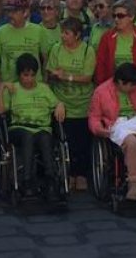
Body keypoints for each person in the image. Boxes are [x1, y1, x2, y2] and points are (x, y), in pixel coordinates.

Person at [88, 63, 136, 201]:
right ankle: (134, 184)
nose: (134, 88)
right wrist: (99, 130)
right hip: (118, 123)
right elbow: (94, 116)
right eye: (131, 85)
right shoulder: (101, 92)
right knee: (132, 143)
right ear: (120, 82)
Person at [0, 54, 66, 202]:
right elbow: (1, 111)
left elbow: (56, 103)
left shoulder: (43, 89)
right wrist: (2, 88)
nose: (28, 79)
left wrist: (60, 104)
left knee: (45, 138)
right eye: (25, 75)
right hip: (19, 128)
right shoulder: (13, 88)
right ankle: (27, 181)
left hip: (42, 127)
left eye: (32, 75)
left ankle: (50, 181)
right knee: (28, 136)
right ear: (19, 74)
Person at [45, 18, 95, 192]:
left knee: (81, 141)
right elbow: (49, 73)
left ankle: (81, 175)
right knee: (66, 140)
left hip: (82, 103)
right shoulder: (56, 49)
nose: (63, 36)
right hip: (62, 100)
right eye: (62, 32)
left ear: (77, 35)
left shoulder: (87, 51)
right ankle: (69, 174)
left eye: (67, 33)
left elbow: (88, 77)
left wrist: (65, 76)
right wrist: (54, 75)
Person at [93, 0, 136, 89]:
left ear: (131, 17)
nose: (116, 19)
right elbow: (100, 63)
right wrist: (101, 85)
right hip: (112, 86)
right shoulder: (107, 37)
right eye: (114, 15)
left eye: (120, 16)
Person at [0, 0, 48, 84]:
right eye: (8, 11)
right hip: (9, 86)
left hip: (34, 85)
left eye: (14, 12)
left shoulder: (39, 31)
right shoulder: (0, 32)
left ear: (25, 12)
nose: (10, 15)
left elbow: (45, 59)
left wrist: (45, 81)